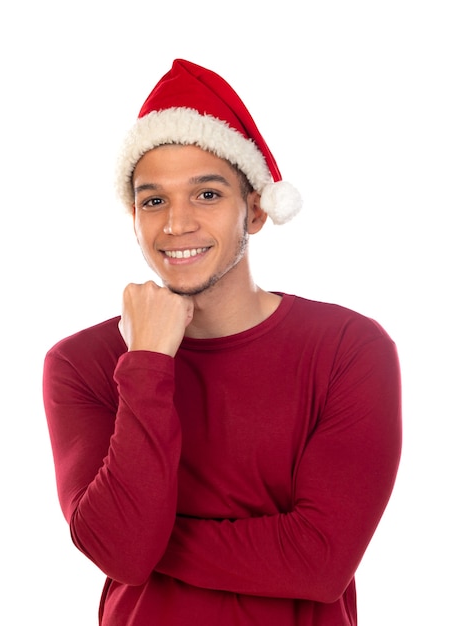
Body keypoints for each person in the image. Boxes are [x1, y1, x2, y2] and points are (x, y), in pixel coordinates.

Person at [43, 59, 402, 626]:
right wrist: (147, 362)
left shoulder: (349, 349)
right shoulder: (82, 364)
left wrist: (152, 542)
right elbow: (120, 552)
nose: (176, 224)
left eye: (206, 195)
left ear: (255, 209)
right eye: (153, 200)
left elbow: (319, 561)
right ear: (133, 216)